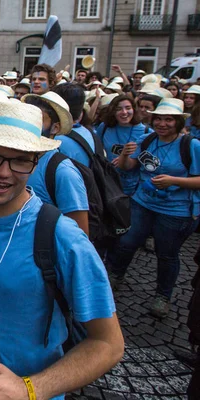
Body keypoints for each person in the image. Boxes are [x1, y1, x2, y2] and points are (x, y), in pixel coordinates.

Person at [0, 99, 124, 400]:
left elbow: (109, 344)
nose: (4, 172)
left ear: (36, 162)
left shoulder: (61, 237)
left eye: (20, 159)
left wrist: (30, 388)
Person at [108, 98, 200, 318]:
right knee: (127, 242)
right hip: (142, 202)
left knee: (166, 254)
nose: (162, 124)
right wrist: (124, 155)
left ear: (178, 122)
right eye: (158, 119)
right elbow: (129, 166)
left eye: (168, 120)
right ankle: (115, 276)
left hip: (175, 211)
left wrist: (174, 181)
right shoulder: (147, 139)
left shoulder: (191, 145)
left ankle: (163, 296)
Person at [22, 92, 90, 235]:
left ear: (55, 128)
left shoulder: (63, 172)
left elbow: (79, 235)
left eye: (38, 119)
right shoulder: (15, 157)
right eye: (26, 116)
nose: (29, 124)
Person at [96, 95, 148, 195]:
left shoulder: (146, 132)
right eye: (119, 109)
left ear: (134, 109)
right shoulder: (104, 127)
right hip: (108, 184)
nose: (124, 112)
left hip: (134, 188)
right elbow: (97, 149)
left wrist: (124, 158)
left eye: (128, 108)